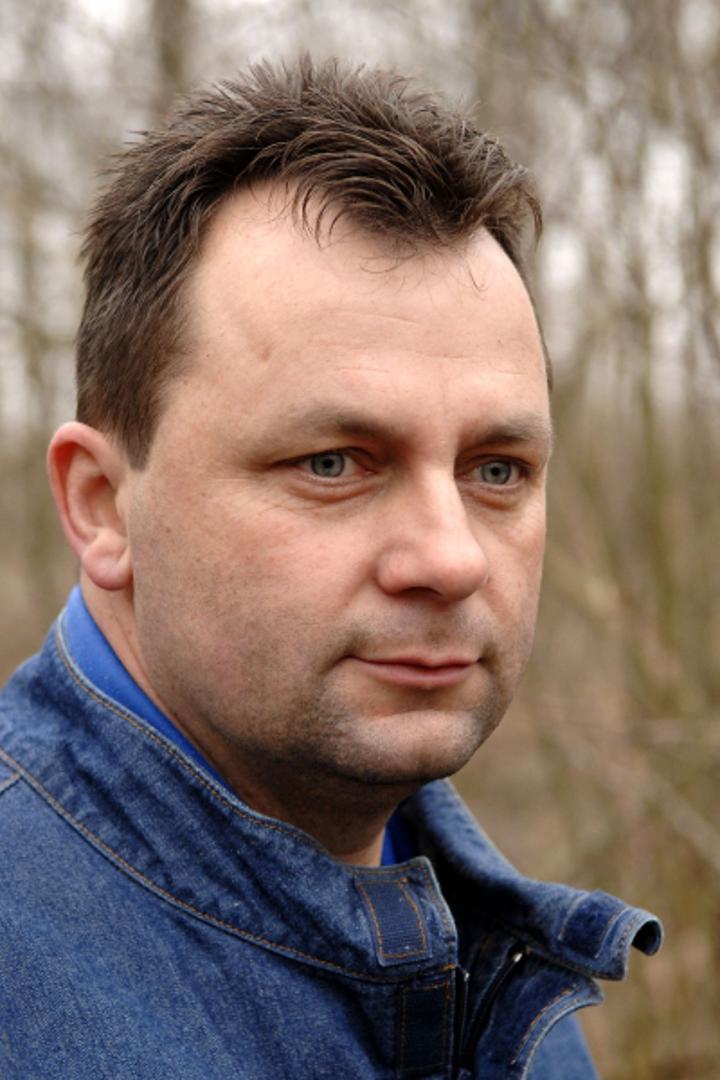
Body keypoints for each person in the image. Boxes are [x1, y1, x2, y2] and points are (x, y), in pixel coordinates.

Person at [0, 56, 661, 1079]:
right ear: (101, 506)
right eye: (333, 464)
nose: (449, 557)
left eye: (496, 469)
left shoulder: (506, 967)